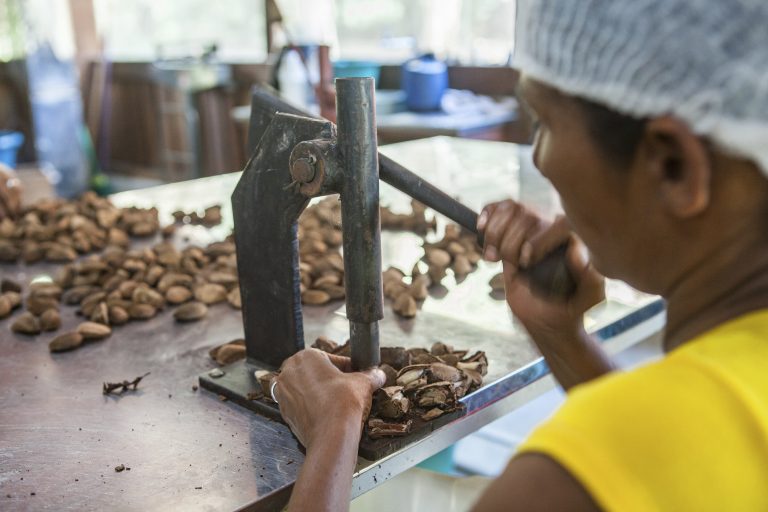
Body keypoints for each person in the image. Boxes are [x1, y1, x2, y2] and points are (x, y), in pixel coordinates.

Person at [272, 0, 768, 509]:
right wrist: (563, 338)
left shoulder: (559, 485)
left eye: (546, 123)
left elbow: (634, 452)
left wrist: (332, 433)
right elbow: (674, 457)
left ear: (673, 167)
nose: (539, 157)